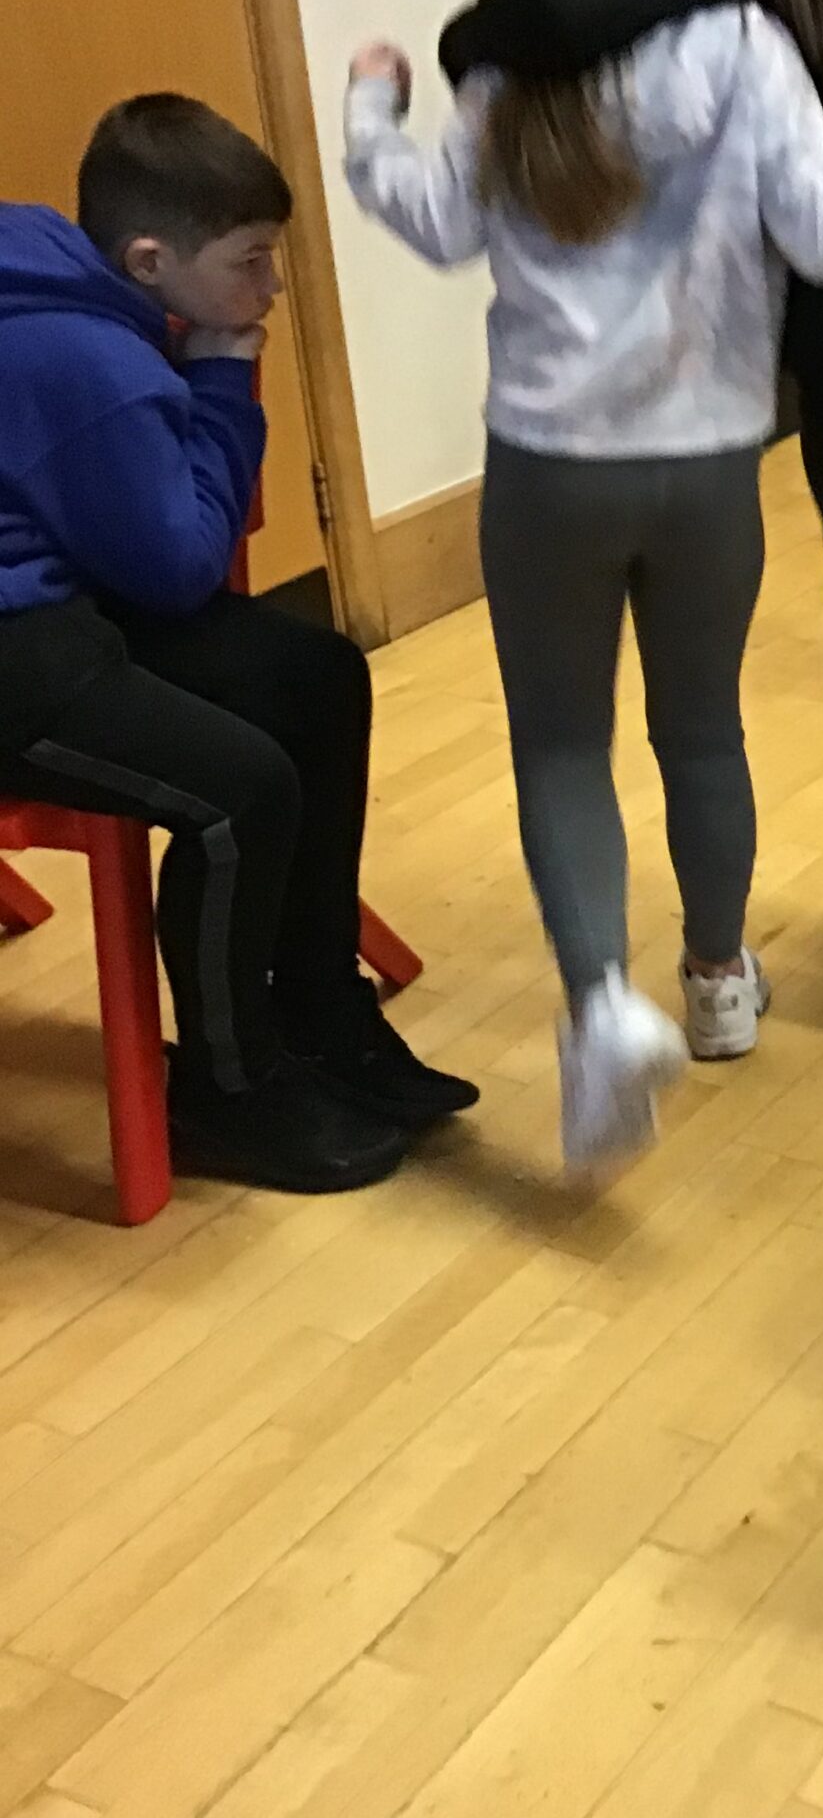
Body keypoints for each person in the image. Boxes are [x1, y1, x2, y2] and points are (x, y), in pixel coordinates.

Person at [346, 0, 823, 1166]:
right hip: (707, 459)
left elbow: (434, 221)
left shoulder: (503, 56)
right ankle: (717, 984)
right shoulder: (740, 44)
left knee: (562, 746)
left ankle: (603, 1005)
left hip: (546, 462)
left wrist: (369, 118)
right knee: (702, 728)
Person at [0, 97, 478, 1193]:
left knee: (317, 676)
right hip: (18, 649)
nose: (272, 289)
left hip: (56, 603)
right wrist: (218, 375)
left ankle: (318, 1010)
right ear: (149, 261)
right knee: (239, 792)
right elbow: (180, 566)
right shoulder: (93, 365)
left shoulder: (56, 270)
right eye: (250, 262)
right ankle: (227, 1087)